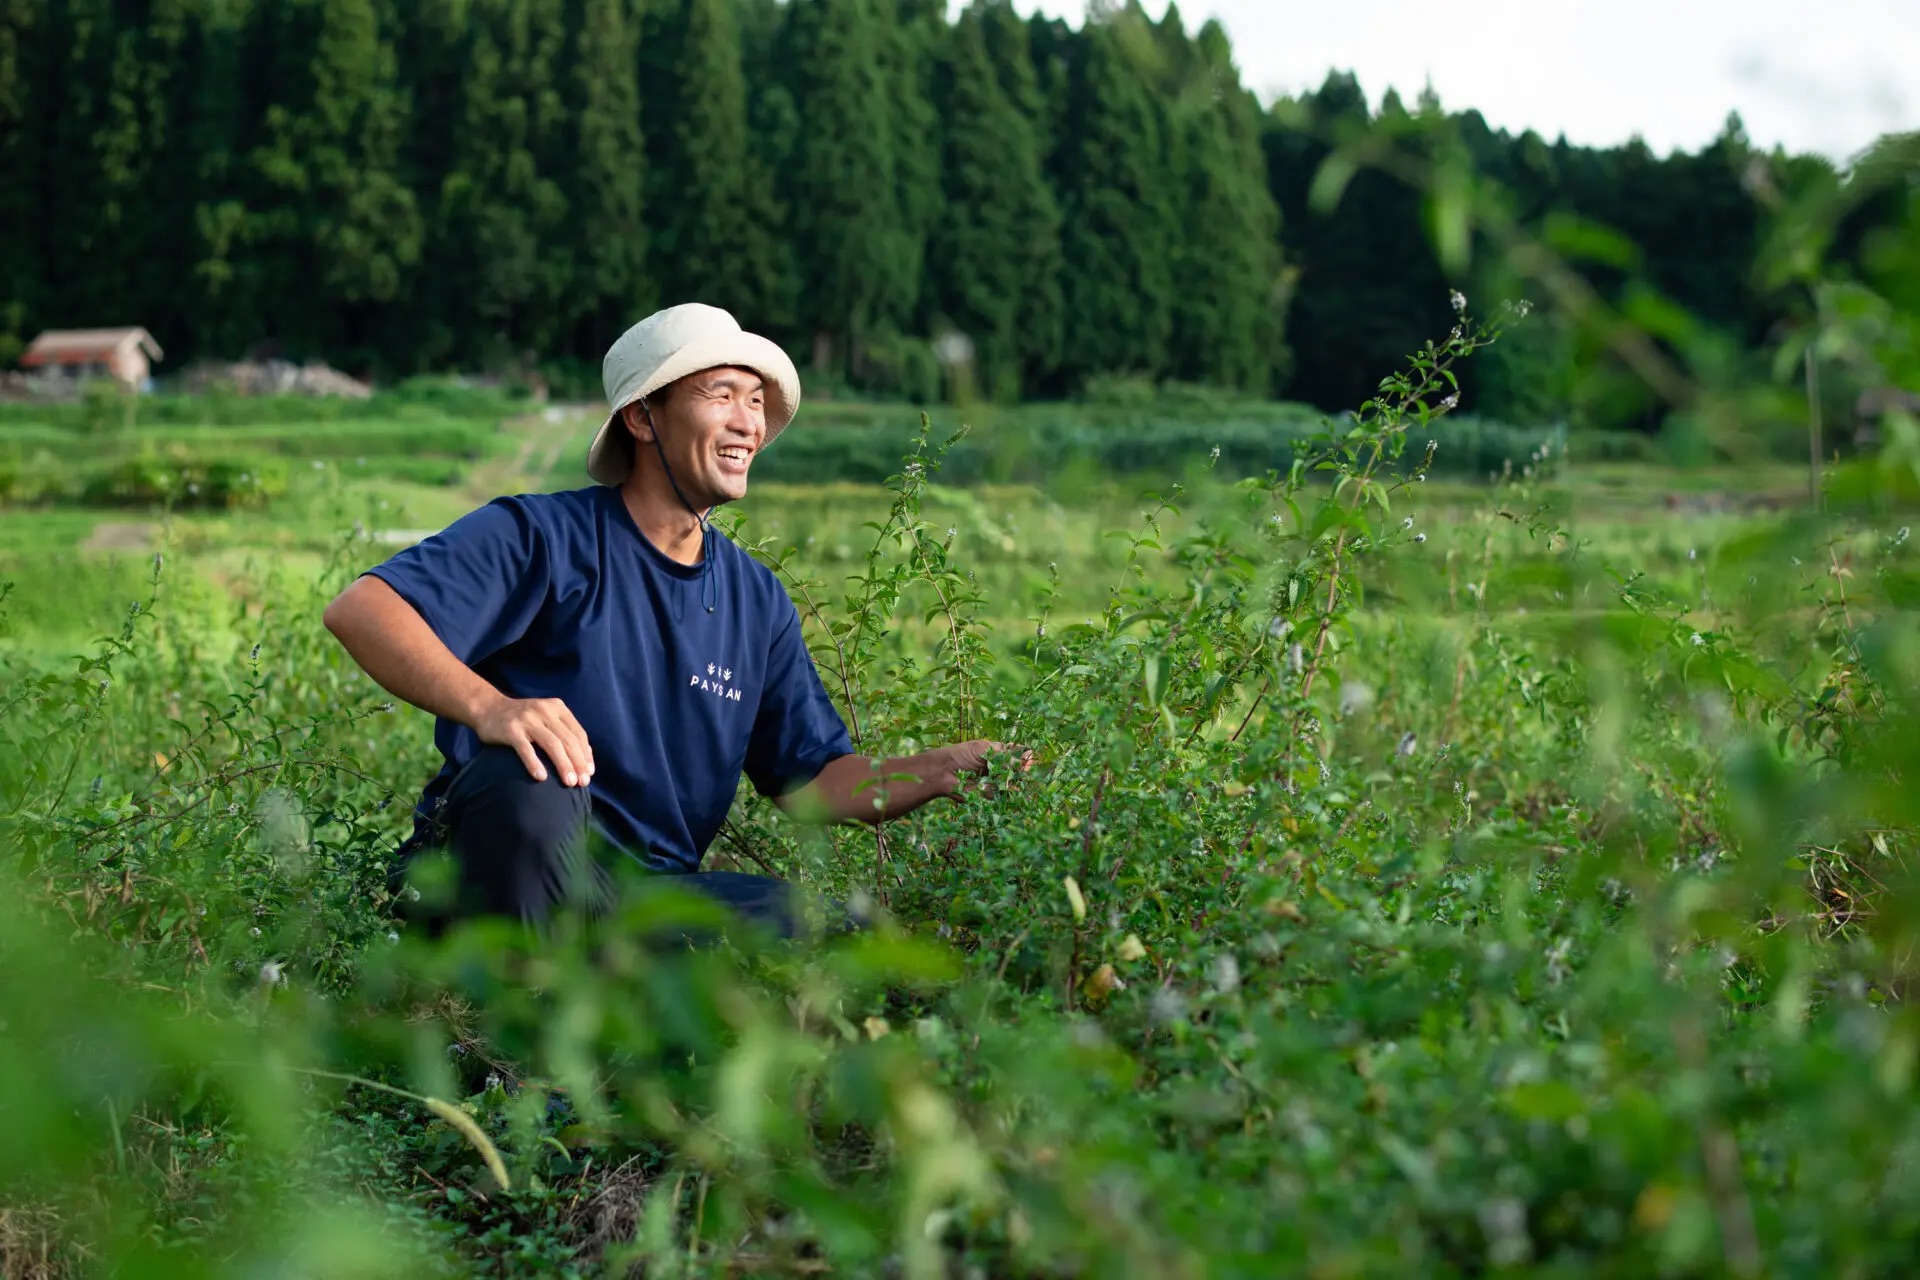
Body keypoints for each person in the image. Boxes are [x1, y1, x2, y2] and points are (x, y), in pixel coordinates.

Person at [323, 304, 1018, 939]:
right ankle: (515, 1054)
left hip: (642, 902)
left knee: (839, 935)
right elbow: (364, 609)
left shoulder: (757, 600)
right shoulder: (542, 536)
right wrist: (490, 708)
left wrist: (943, 769)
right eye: (720, 395)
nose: (749, 421)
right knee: (534, 783)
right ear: (643, 417)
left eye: (756, 401)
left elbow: (813, 781)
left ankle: (619, 1004)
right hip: (502, 876)